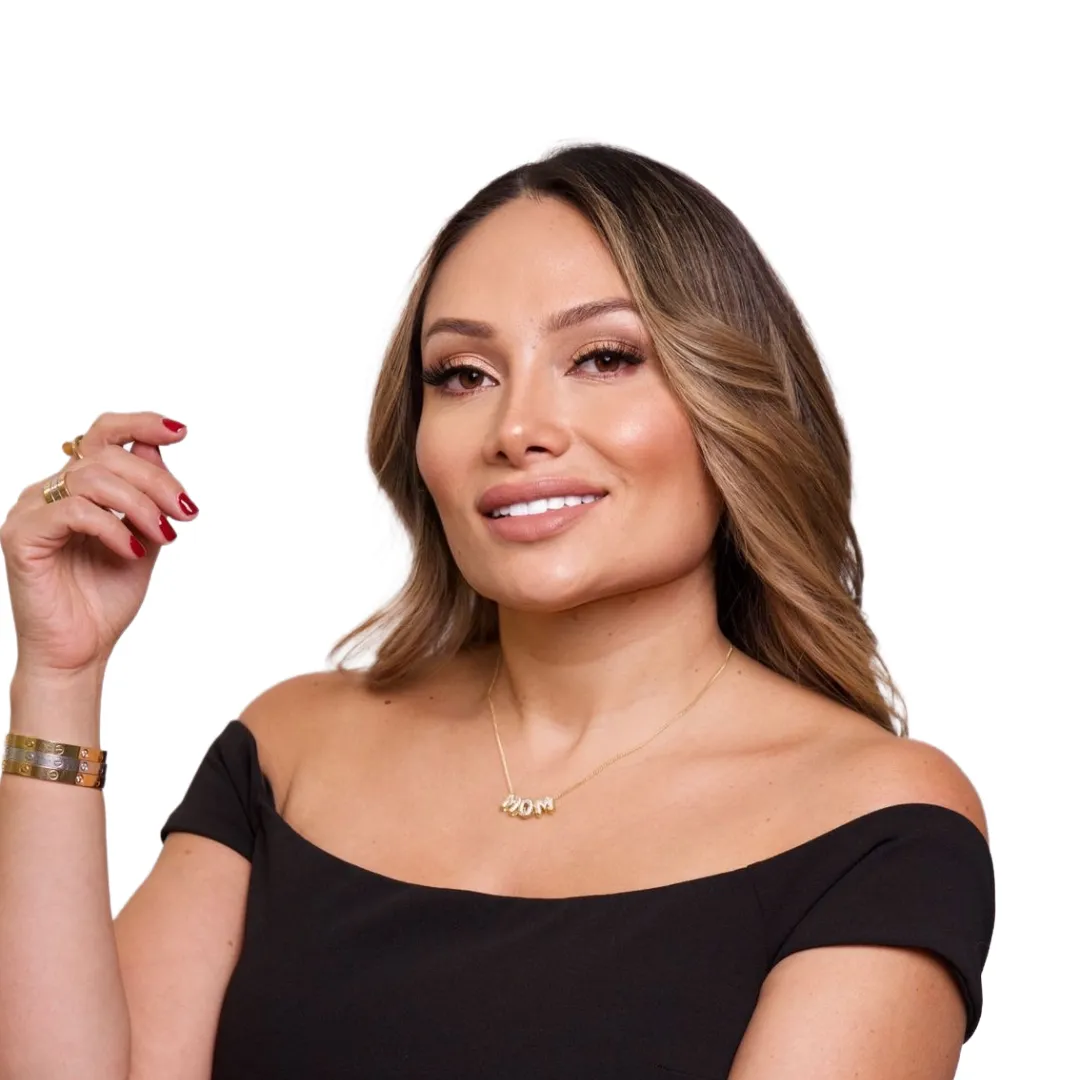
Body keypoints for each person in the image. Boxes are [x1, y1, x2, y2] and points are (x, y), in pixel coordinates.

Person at [0, 143, 994, 1080]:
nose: (517, 428)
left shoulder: (876, 820)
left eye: (603, 358)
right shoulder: (291, 749)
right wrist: (60, 675)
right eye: (464, 375)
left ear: (736, 403)